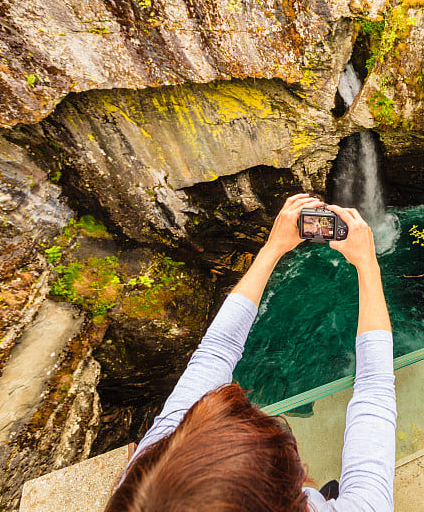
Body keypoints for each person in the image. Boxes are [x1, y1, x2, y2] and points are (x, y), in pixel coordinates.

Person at [105, 194, 396, 512]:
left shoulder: (155, 469)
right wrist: (367, 263)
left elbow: (216, 351)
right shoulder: (151, 472)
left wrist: (273, 247)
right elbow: (374, 390)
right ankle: (324, 495)